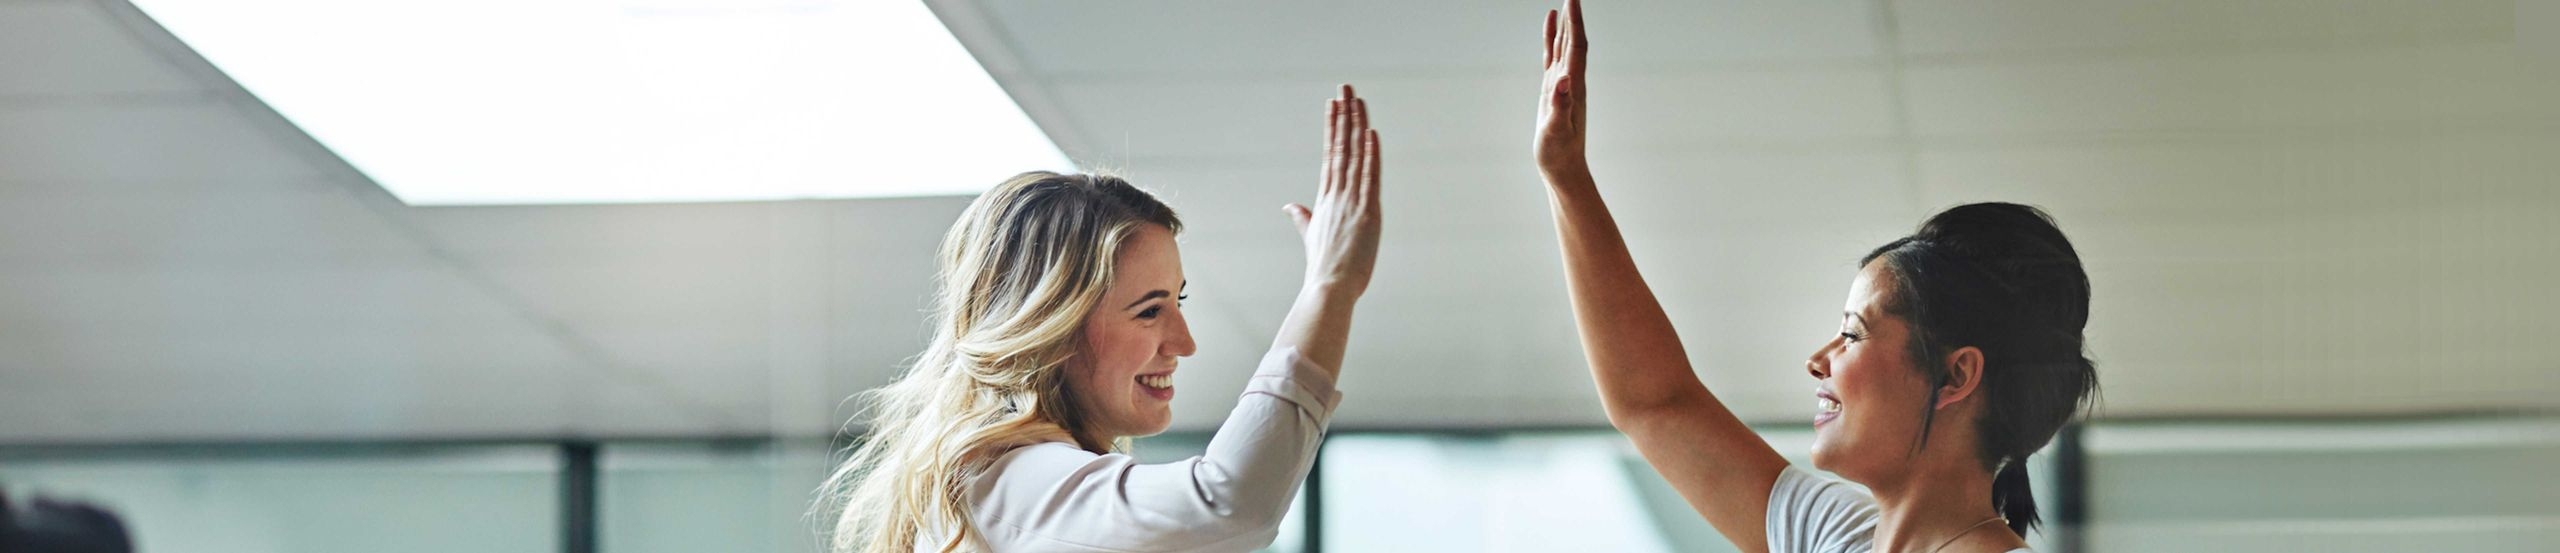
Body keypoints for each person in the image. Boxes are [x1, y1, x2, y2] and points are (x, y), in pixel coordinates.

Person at [1529, 1, 2098, 552]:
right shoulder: (1833, 535)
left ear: (1955, 375)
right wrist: (1566, 177)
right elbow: (1655, 404)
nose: (1818, 359)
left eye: (1852, 334)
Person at [819, 86, 1385, 553]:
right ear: (1050, 327)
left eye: (1177, 303)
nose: (1183, 344)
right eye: (1148, 311)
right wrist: (1328, 288)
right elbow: (1229, 504)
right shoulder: (1008, 482)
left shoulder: (1015, 486)